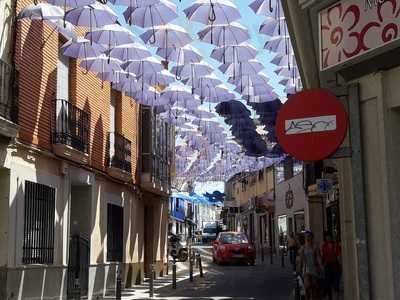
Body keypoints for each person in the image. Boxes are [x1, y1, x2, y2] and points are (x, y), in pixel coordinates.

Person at [298, 231, 323, 300]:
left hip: (314, 268)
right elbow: (301, 260)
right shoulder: (303, 248)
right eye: (306, 236)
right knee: (307, 286)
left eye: (309, 236)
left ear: (312, 237)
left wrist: (321, 266)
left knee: (314, 287)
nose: (307, 237)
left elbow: (318, 258)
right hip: (306, 269)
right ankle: (308, 297)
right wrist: (299, 269)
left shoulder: (315, 247)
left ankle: (314, 297)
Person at [321, 232, 341, 300]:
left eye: (329, 237)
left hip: (335, 265)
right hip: (327, 265)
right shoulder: (324, 246)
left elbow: (338, 256)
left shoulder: (336, 245)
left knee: (336, 284)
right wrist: (322, 265)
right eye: (327, 237)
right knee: (328, 283)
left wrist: (340, 264)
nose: (328, 238)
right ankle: (330, 297)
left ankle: (336, 297)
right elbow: (323, 256)